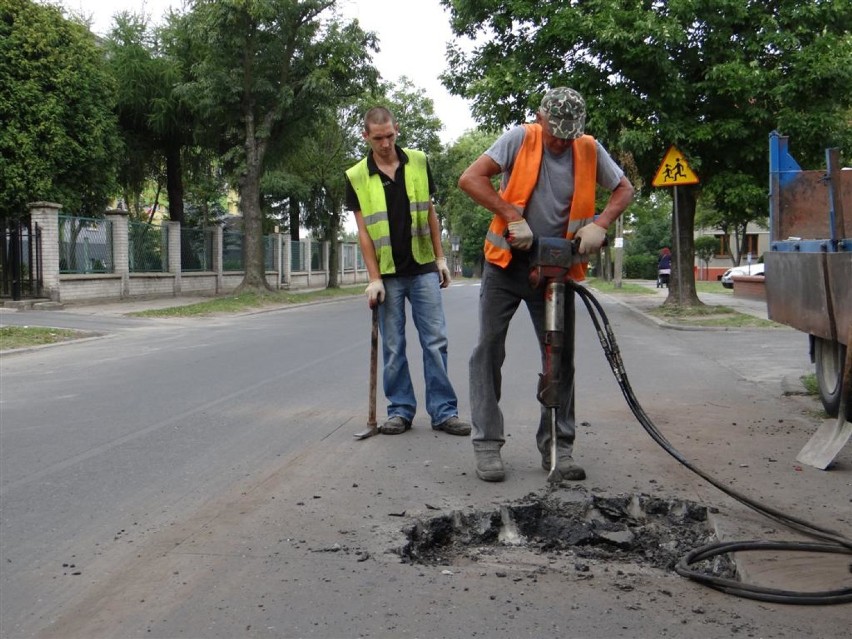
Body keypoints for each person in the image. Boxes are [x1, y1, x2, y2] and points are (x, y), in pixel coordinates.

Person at [458, 87, 634, 481]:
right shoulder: (519, 139)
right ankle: (487, 445)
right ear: (540, 117)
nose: (561, 140)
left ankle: (558, 447)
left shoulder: (587, 148)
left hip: (557, 268)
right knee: (488, 349)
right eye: (555, 132)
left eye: (568, 134)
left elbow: (624, 188)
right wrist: (509, 213)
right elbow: (470, 179)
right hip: (506, 263)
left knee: (560, 358)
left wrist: (600, 224)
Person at [345, 106, 471, 437]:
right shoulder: (357, 175)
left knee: (435, 341)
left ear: (396, 129)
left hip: (423, 267)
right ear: (366, 136)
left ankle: (444, 411)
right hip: (388, 273)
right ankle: (400, 410)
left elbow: (430, 213)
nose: (385, 143)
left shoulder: (417, 161)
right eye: (377, 138)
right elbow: (364, 233)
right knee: (393, 346)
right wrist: (373, 278)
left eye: (389, 135)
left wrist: (441, 258)